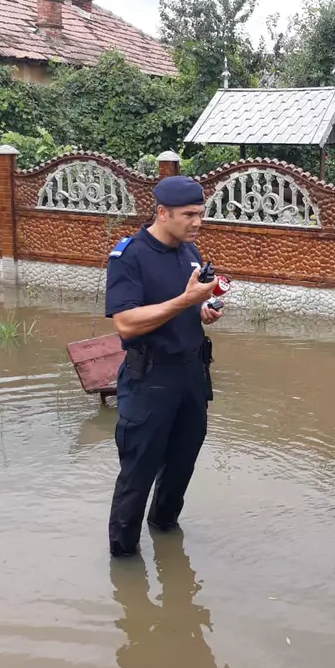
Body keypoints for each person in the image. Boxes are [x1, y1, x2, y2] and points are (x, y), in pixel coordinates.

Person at [105, 175, 223, 557]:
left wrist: (201, 309)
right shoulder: (129, 255)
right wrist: (184, 299)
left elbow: (185, 305)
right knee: (139, 471)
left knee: (182, 462)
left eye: (200, 214)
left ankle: (165, 528)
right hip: (150, 378)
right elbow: (125, 322)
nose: (197, 222)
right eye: (189, 215)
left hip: (190, 376)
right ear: (162, 212)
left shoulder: (189, 252)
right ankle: (124, 558)